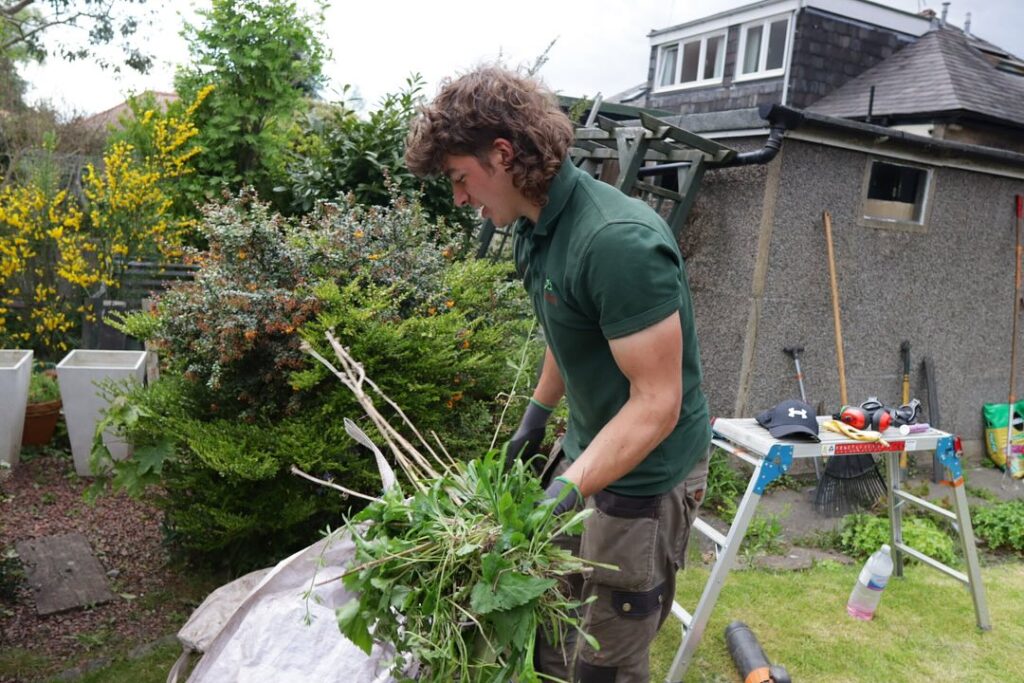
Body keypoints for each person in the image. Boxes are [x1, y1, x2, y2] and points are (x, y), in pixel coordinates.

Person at [405, 64, 710, 683]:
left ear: (503, 154)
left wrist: (568, 490)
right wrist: (534, 422)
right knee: (552, 627)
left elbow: (657, 404)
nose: (459, 198)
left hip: (643, 476)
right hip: (588, 453)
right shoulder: (533, 229)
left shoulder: (616, 243)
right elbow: (565, 333)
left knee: (605, 657)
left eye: (461, 179)